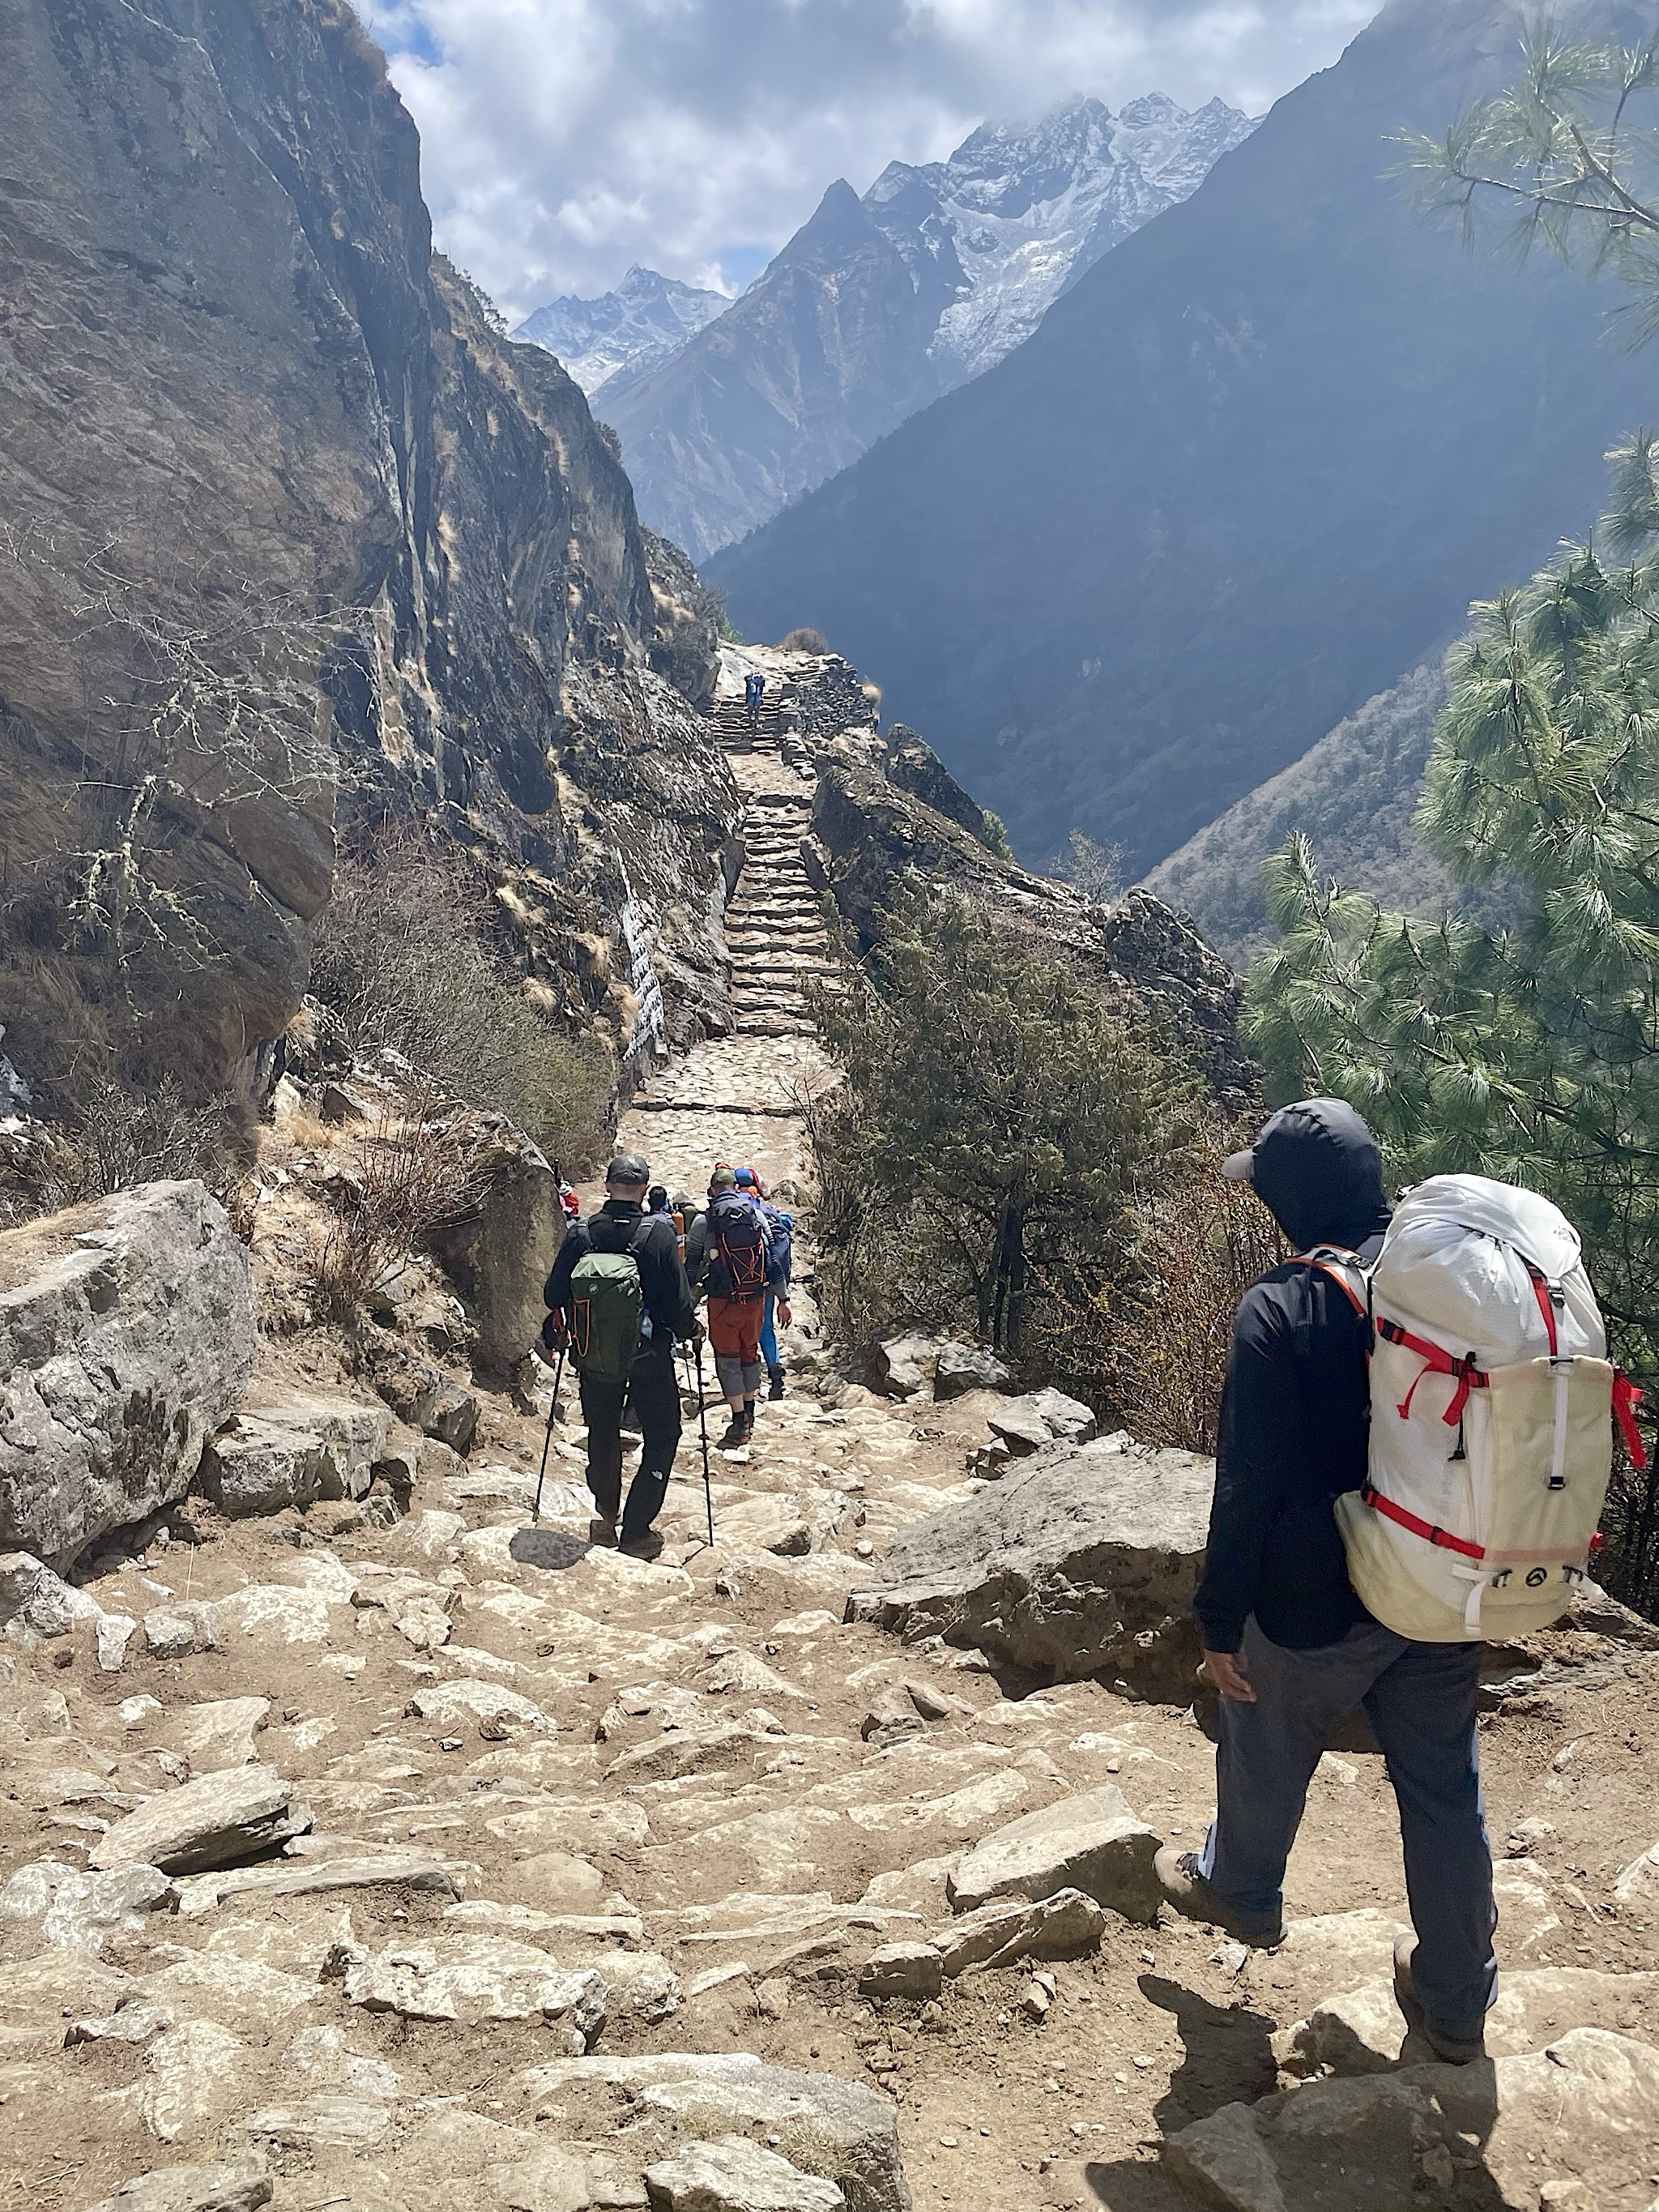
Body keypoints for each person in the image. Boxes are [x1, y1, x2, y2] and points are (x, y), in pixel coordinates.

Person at [1154, 1098, 1497, 2064]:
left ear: (1288, 1202)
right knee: (1441, 1789)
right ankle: (1455, 1998)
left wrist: (1219, 1618)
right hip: (1439, 1581)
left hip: (1317, 1600)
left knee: (1260, 1734)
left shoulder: (1281, 1304)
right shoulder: (1448, 1288)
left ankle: (1241, 1890)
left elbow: (1247, 1479)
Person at [543, 1152, 700, 1557]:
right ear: (644, 1189)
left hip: (593, 1354)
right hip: (649, 1356)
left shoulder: (582, 1233)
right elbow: (678, 1304)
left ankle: (606, 1509)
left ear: (608, 1186)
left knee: (603, 1431)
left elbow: (553, 1294)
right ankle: (636, 1529)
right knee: (663, 1435)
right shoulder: (658, 1234)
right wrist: (691, 1331)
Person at [686, 1166, 787, 1449]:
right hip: (755, 1299)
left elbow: (692, 1264)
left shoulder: (706, 1220)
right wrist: (783, 1298)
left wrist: (686, 1300)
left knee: (727, 1358)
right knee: (749, 1353)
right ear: (735, 1188)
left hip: (723, 1301)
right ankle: (750, 1411)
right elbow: (772, 1258)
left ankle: (739, 1420)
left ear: (712, 1191)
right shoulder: (755, 1214)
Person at [736, 1166, 794, 1399]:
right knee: (765, 1328)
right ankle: (775, 1374)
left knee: (740, 1330)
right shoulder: (767, 1212)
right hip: (767, 1282)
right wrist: (783, 1298)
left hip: (739, 1283)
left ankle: (745, 1384)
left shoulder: (729, 1211)